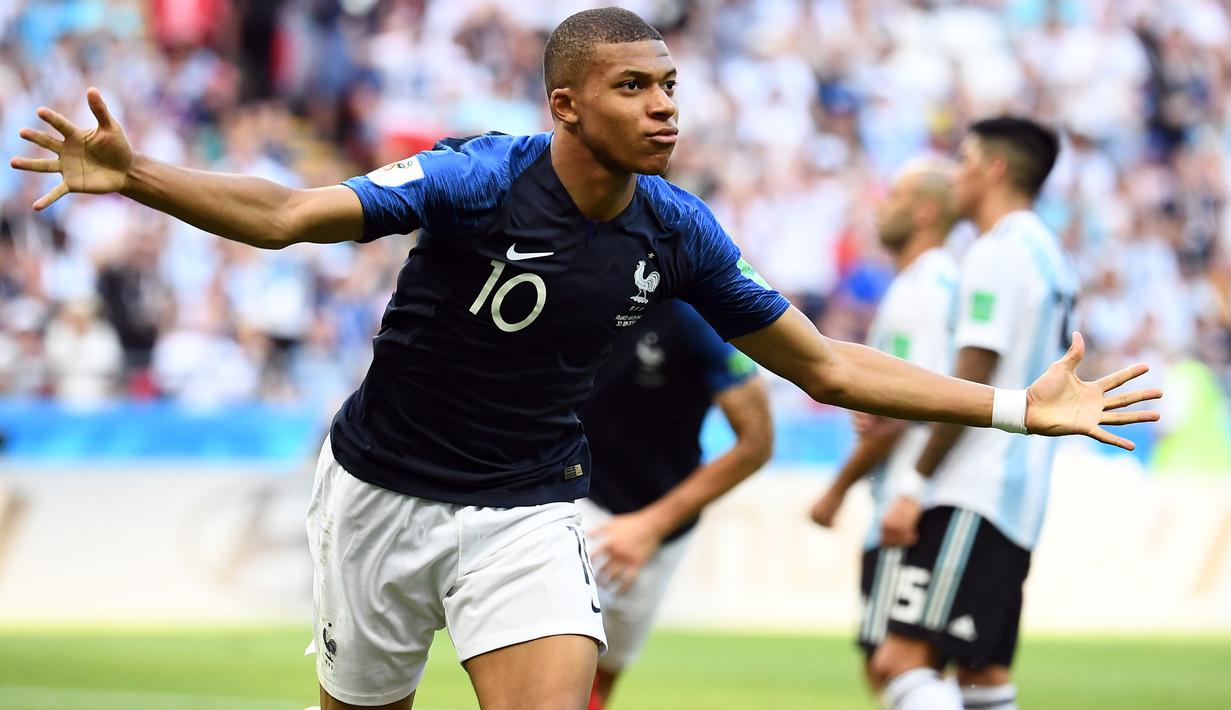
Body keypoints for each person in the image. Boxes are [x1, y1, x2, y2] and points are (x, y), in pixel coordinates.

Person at [10, 9, 1160, 710]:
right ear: (564, 104)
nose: (664, 107)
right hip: (376, 496)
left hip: (528, 507)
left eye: (668, 85)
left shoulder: (677, 227)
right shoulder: (473, 177)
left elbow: (827, 368)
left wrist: (1018, 403)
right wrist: (143, 172)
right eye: (633, 87)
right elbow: (287, 213)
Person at [868, 118, 1083, 710]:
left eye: (963, 161)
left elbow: (970, 381)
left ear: (993, 169)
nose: (954, 176)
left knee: (900, 663)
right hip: (1020, 493)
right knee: (983, 676)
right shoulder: (1050, 254)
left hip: (975, 487)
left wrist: (913, 483)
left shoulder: (997, 251)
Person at [809, 157, 960, 695]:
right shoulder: (917, 285)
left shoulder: (929, 287)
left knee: (894, 665)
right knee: (897, 667)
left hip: (913, 501)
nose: (881, 206)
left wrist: (836, 488)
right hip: (908, 498)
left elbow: (921, 400)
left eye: (893, 195)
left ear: (924, 210)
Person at [576, 299, 772, 709]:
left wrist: (651, 526)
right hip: (577, 503)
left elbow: (757, 442)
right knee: (557, 668)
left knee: (601, 677)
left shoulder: (698, 314)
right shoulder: (580, 280)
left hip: (662, 527)